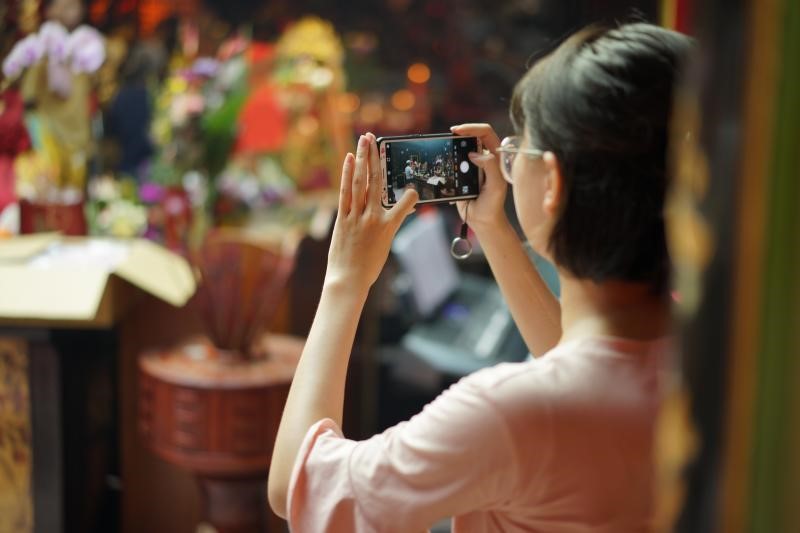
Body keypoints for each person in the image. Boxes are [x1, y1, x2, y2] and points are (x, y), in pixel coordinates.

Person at [269, 22, 690, 532]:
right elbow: (582, 358)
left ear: (552, 181)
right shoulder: (710, 360)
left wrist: (344, 281)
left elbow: (300, 486)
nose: (506, 165)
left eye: (519, 152)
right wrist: (492, 226)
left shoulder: (510, 413)